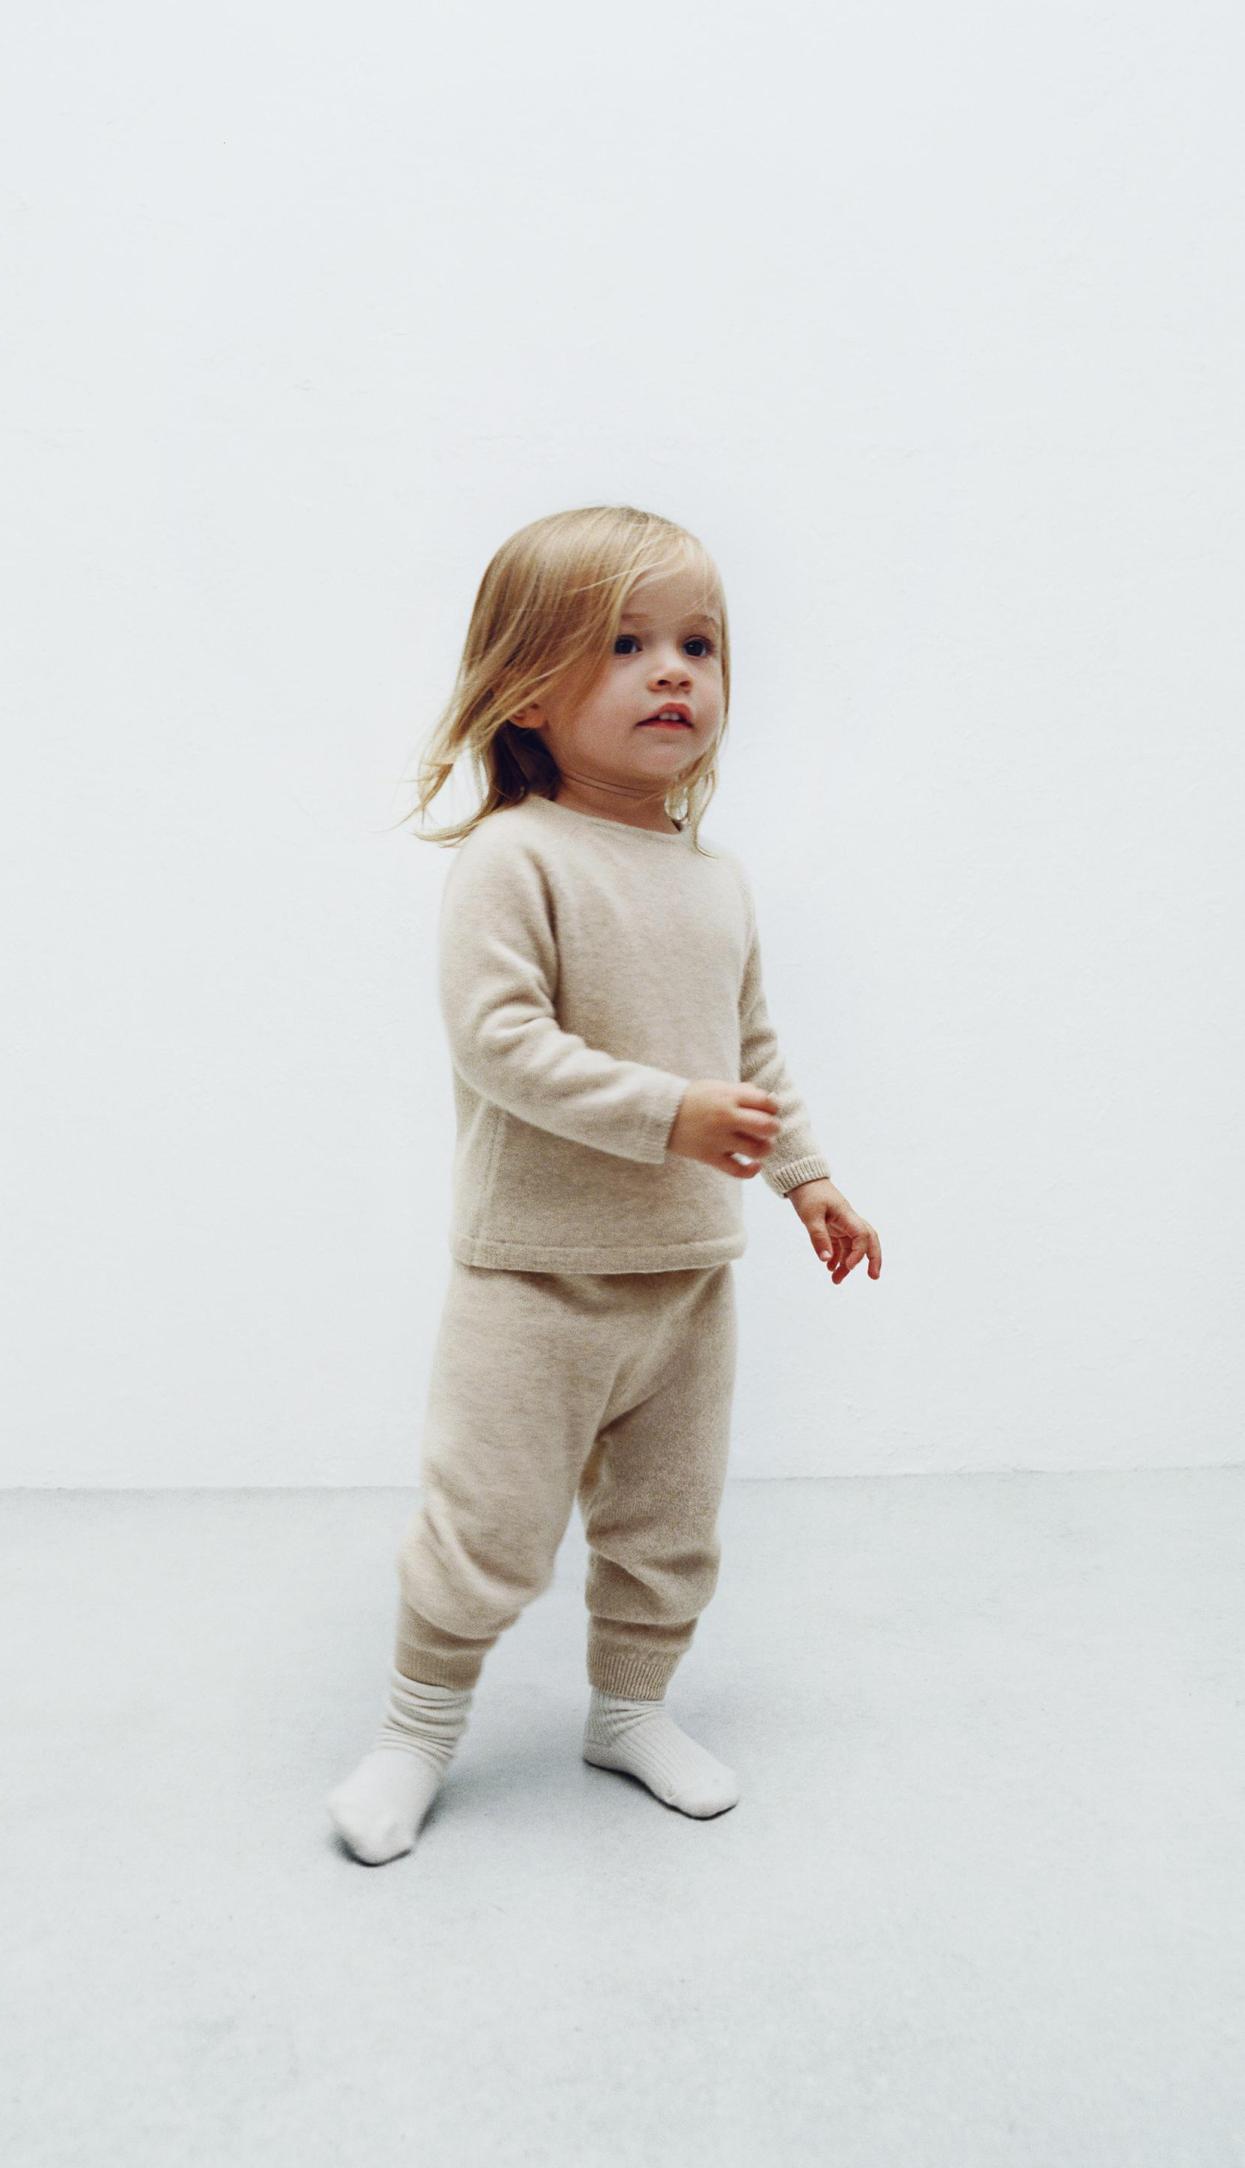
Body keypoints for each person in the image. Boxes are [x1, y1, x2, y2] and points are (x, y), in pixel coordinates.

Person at [326, 504, 882, 1865]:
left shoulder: (715, 881)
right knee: (489, 1527)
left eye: (699, 643)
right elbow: (500, 1044)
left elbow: (750, 1050)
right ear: (526, 688)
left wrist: (805, 1176)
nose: (673, 671)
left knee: (667, 1530)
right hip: (535, 1274)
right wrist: (667, 1114)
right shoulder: (514, 859)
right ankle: (413, 1733)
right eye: (625, 645)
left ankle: (630, 1711)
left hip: (685, 1277)